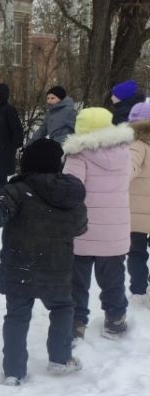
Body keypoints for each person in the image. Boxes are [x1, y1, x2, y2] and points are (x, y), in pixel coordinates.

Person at [0, 139, 87, 386]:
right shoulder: (70, 194)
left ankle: (13, 371)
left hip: (19, 267)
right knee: (63, 308)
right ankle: (60, 359)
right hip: (57, 267)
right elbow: (80, 227)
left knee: (17, 316)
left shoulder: (18, 191)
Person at [62, 107, 133, 339]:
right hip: (115, 230)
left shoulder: (77, 154)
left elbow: (71, 190)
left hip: (82, 229)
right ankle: (115, 319)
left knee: (77, 281)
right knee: (113, 279)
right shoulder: (125, 152)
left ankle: (76, 321)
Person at [128, 102, 150, 308]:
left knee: (137, 252)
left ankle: (139, 290)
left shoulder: (137, 145)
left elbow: (129, 168)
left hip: (136, 213)